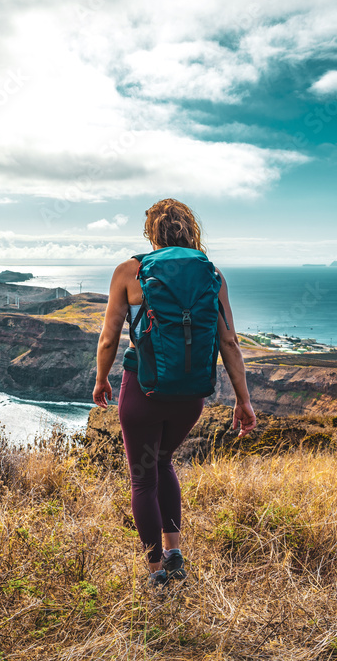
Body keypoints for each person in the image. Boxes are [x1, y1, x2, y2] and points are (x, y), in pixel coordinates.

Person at [92, 198, 257, 587]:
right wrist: (243, 399)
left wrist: (101, 379)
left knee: (143, 479)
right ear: (189, 228)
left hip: (143, 391)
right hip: (191, 397)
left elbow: (109, 337)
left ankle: (156, 573)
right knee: (163, 461)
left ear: (151, 232)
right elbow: (229, 343)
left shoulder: (130, 271)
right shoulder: (212, 273)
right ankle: (175, 552)